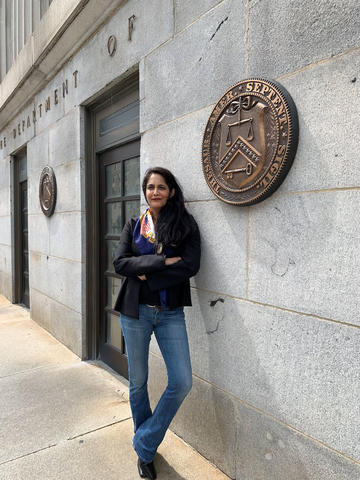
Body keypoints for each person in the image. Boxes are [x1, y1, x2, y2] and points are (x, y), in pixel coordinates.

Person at [113, 167, 201, 480]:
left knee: (182, 381)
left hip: (170, 313)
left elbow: (191, 266)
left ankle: (143, 441)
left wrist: (146, 271)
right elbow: (120, 262)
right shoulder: (134, 225)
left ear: (171, 191)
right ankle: (146, 454)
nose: (155, 192)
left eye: (161, 187)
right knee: (138, 383)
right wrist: (164, 261)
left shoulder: (185, 225)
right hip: (134, 312)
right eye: (150, 187)